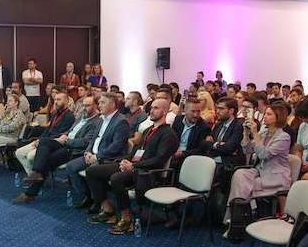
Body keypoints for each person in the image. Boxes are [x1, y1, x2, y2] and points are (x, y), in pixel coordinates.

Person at [85, 98, 179, 235]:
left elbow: (158, 160)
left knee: (116, 178)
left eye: (156, 108)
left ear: (165, 111)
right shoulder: (148, 130)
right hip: (134, 166)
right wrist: (125, 161)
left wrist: (133, 166)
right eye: (151, 108)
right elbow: (135, 151)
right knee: (92, 171)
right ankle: (108, 210)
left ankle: (127, 219)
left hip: (147, 172)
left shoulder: (168, 134)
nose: (151, 111)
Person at [13, 96, 102, 204]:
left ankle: (31, 190)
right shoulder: (81, 118)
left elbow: (85, 142)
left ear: (95, 106)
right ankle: (36, 174)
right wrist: (63, 136)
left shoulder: (96, 122)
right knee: (44, 142)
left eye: (88, 105)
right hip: (65, 144)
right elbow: (70, 131)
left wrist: (66, 141)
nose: (84, 108)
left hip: (73, 150)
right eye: (83, 105)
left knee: (46, 159)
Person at [225, 103, 292, 227]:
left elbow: (263, 154)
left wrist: (255, 133)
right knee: (239, 174)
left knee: (243, 185)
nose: (264, 116)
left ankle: (237, 217)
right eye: (265, 113)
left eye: (269, 114)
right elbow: (247, 150)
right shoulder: (265, 133)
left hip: (275, 176)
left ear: (278, 117)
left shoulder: (284, 137)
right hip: (261, 171)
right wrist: (246, 133)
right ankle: (239, 214)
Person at [66, 92, 131, 210]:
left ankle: (100, 202)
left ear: (112, 104)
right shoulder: (101, 119)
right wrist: (87, 152)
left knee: (92, 171)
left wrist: (97, 156)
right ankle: (87, 197)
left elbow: (116, 146)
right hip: (93, 154)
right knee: (70, 166)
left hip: (109, 158)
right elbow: (93, 139)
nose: (99, 105)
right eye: (99, 102)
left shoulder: (121, 121)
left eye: (102, 102)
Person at [14, 91, 75, 176]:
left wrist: (41, 141)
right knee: (19, 153)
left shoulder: (69, 116)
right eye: (55, 100)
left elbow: (60, 134)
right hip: (44, 141)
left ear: (66, 101)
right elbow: (47, 130)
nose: (56, 102)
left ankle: (37, 176)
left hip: (54, 143)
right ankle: (32, 176)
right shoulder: (55, 114)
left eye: (59, 100)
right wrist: (38, 140)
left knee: (30, 157)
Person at [203, 97, 243, 165]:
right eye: (217, 108)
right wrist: (217, 144)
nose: (217, 111)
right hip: (214, 158)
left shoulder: (238, 126)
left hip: (227, 163)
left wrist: (213, 144)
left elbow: (229, 148)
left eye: (221, 109)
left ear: (231, 111)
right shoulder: (218, 124)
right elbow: (204, 143)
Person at [170, 98, 211, 166]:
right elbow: (171, 139)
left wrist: (182, 153)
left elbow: (201, 150)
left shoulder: (204, 127)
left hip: (189, 159)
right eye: (193, 111)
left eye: (198, 111)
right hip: (172, 154)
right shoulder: (178, 120)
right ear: (185, 110)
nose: (196, 115)